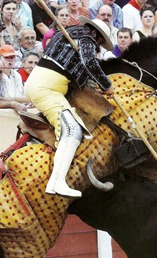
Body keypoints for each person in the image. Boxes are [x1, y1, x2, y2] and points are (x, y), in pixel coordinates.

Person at [24, 17, 114, 198]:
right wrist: (107, 85)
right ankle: (56, 181)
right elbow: (90, 63)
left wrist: (96, 86)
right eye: (100, 42)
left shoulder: (67, 35)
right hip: (46, 89)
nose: (98, 47)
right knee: (72, 129)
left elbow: (78, 71)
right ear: (95, 33)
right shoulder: (87, 38)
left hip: (47, 86)